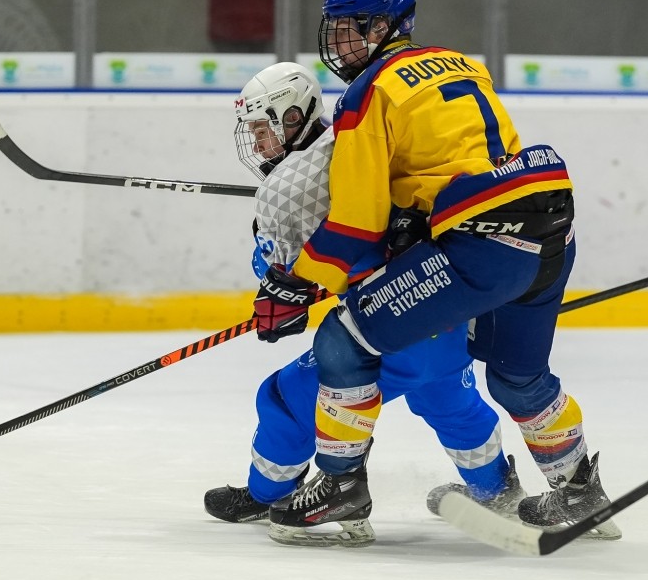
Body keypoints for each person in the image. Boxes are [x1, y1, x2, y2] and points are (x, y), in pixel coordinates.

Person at [250, 0, 621, 545]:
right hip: (548, 226)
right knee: (518, 376)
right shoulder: (460, 64)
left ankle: (341, 485)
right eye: (337, 28)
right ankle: (578, 492)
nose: (340, 41)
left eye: (352, 28)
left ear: (386, 27)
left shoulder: (368, 92)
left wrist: (295, 284)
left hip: (482, 242)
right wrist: (416, 214)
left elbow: (354, 224)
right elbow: (465, 161)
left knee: (343, 343)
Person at [204, 62, 524, 546]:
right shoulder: (357, 141)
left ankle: (270, 493)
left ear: (292, 117)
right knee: (448, 400)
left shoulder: (286, 188)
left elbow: (279, 280)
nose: (258, 143)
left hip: (389, 328)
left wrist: (271, 256)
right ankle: (497, 490)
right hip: (445, 311)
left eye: (262, 130)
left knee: (284, 398)